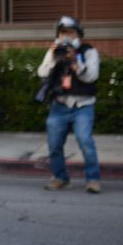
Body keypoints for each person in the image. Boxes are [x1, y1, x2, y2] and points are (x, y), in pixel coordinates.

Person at [38, 17, 101, 193]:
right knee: (54, 144)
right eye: (62, 33)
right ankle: (60, 177)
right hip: (59, 105)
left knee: (85, 141)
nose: (66, 37)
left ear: (78, 35)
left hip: (83, 105)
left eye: (70, 33)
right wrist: (52, 57)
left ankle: (93, 179)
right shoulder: (55, 50)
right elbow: (42, 73)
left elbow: (91, 76)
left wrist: (75, 62)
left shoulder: (89, 51)